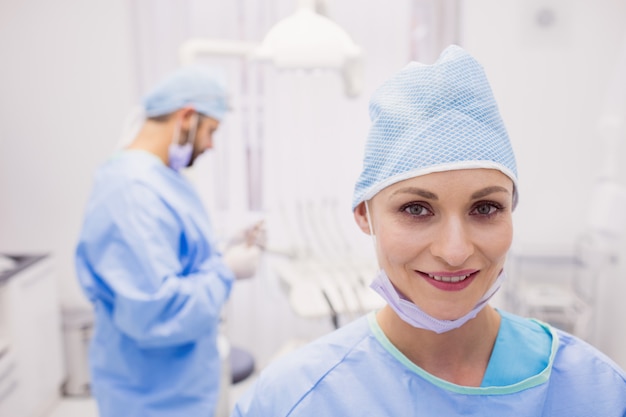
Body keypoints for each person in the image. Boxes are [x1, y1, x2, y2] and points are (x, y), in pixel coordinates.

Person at [231, 45, 626, 416]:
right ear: (364, 215)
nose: (454, 251)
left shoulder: (598, 391)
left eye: (485, 208)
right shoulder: (294, 400)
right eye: (416, 209)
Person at [75, 66, 264, 417]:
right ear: (187, 117)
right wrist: (224, 271)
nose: (210, 145)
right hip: (152, 393)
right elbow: (153, 311)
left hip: (177, 381)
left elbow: (171, 258)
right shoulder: (132, 190)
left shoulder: (157, 179)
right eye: (211, 131)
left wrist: (222, 245)